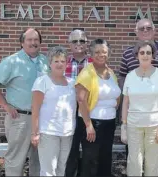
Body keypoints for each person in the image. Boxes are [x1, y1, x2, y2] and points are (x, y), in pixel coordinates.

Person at [118, 18, 158, 176]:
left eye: (148, 28)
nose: (145, 31)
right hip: (134, 122)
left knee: (154, 163)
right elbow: (124, 92)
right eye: (141, 28)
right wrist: (123, 124)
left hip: (156, 122)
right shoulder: (129, 67)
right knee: (134, 162)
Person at [0, 28, 49, 176]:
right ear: (22, 42)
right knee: (16, 159)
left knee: (40, 159)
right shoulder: (12, 61)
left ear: (40, 43)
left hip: (42, 119)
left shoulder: (44, 61)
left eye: (36, 40)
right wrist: (5, 105)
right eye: (29, 40)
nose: (33, 43)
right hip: (20, 118)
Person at [75, 38, 121, 177]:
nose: (101, 55)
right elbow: (81, 101)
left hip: (109, 123)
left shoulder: (110, 73)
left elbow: (115, 96)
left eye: (104, 52)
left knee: (105, 159)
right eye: (97, 52)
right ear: (91, 54)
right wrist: (88, 125)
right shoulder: (86, 73)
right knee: (90, 161)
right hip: (93, 123)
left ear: (109, 53)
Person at [31, 46, 76, 176]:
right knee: (48, 170)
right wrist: (34, 133)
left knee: (61, 168)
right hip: (48, 132)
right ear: (50, 63)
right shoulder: (42, 81)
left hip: (67, 132)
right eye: (56, 61)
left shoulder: (72, 83)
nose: (60, 64)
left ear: (66, 63)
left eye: (62, 61)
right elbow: (35, 108)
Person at [65, 29, 92, 177]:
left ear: (87, 43)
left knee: (89, 151)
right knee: (70, 150)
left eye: (82, 40)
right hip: (69, 113)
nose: (78, 44)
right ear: (69, 44)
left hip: (89, 112)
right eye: (74, 41)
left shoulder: (94, 63)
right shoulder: (63, 62)